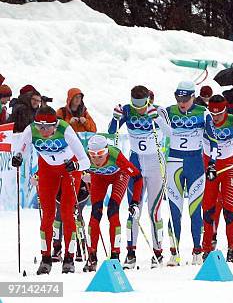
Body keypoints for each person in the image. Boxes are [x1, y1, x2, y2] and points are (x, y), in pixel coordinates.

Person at [11, 106, 91, 274]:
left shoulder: (66, 130)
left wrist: (75, 165)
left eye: (48, 127)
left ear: (56, 125)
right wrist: (18, 157)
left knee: (67, 212)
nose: (44, 131)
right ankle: (46, 258)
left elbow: (86, 162)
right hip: (47, 169)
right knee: (48, 214)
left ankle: (69, 257)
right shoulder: (31, 130)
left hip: (69, 168)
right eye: (41, 127)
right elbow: (21, 149)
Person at [157, 81, 218, 266]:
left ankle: (197, 251)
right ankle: (174, 253)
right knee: (175, 211)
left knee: (195, 210)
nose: (181, 103)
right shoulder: (169, 111)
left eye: (185, 99)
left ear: (193, 96)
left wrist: (213, 164)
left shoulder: (203, 112)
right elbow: (159, 128)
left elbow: (213, 140)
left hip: (195, 164)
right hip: (174, 163)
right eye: (178, 98)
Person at [108, 85, 166, 268]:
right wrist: (115, 118)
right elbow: (111, 131)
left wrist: (156, 119)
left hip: (155, 163)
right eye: (136, 106)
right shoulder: (127, 109)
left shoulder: (158, 110)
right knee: (134, 210)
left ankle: (158, 253)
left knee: (154, 211)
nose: (139, 110)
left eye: (141, 106)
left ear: (149, 100)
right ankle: (131, 253)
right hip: (136, 163)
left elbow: (170, 133)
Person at [201, 95, 233, 262]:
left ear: (225, 111)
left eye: (219, 114)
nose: (215, 118)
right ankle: (207, 248)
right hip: (210, 167)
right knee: (208, 208)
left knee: (230, 207)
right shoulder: (204, 119)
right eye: (212, 113)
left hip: (229, 167)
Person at [82, 135, 143, 272]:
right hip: (98, 179)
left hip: (119, 176)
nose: (96, 160)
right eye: (93, 156)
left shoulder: (116, 155)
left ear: (106, 152)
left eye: (100, 156)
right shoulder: (85, 157)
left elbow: (137, 177)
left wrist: (134, 202)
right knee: (95, 214)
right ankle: (92, 256)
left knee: (112, 211)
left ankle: (115, 255)